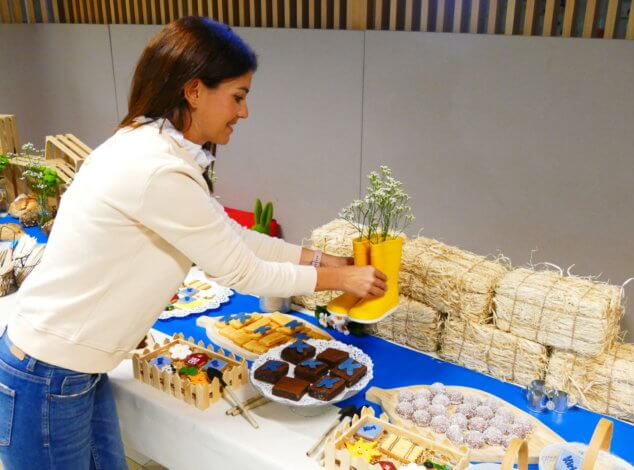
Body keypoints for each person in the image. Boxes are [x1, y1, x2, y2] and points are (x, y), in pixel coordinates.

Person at [0, 16, 387, 469]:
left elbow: (231, 237)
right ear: (195, 90)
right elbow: (241, 270)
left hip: (69, 369)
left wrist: (323, 258)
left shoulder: (153, 147)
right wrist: (341, 277)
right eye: (238, 97)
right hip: (49, 370)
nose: (244, 112)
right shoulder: (158, 168)